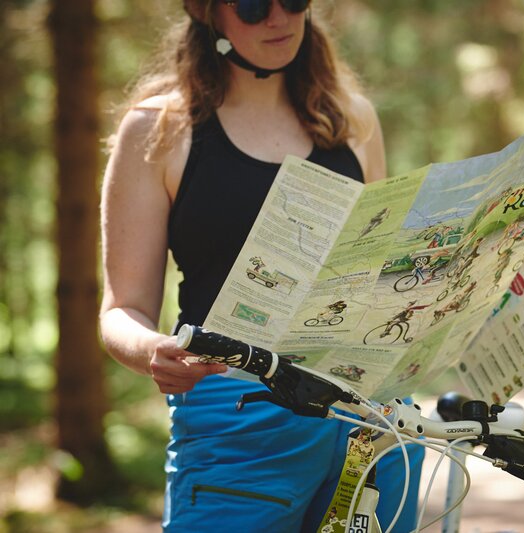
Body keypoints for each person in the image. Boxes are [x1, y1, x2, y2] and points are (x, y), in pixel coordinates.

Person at [98, 1, 423, 530]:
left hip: (370, 418)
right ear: (210, 14)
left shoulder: (352, 119)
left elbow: (375, 275)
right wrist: (153, 349)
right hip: (239, 419)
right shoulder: (158, 130)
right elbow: (121, 309)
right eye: (252, 4)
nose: (278, 18)